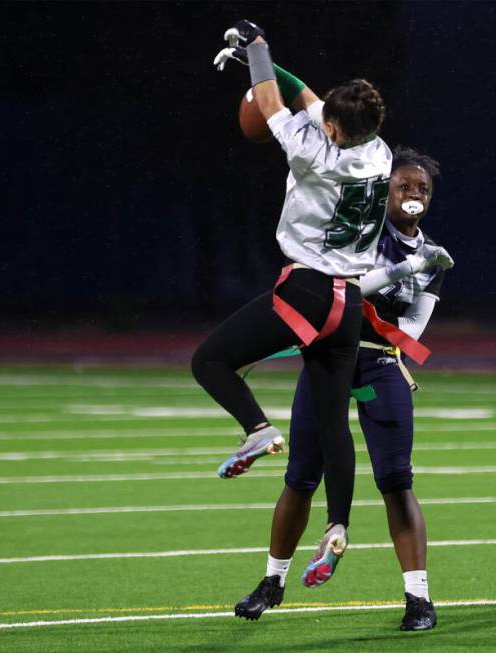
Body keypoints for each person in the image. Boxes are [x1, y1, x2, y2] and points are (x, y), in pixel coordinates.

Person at [191, 19, 393, 548]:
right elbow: (304, 94)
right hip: (349, 302)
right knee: (333, 425)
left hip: (308, 291)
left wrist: (256, 46)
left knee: (209, 361)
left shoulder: (311, 152)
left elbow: (270, 99)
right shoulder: (380, 153)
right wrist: (257, 57)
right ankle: (338, 527)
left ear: (331, 127)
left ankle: (258, 430)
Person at [233, 146, 451, 632]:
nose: (414, 193)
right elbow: (351, 289)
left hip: (377, 366)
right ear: (386, 189)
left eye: (423, 189)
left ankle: (419, 599)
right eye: (405, 185)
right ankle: (272, 581)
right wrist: (405, 270)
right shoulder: (363, 230)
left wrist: (414, 277)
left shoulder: (432, 254)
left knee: (396, 479)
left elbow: (414, 324)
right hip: (331, 359)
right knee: (300, 475)